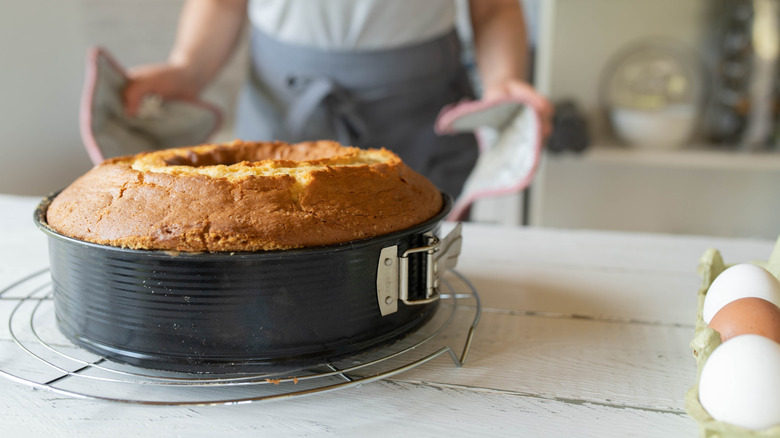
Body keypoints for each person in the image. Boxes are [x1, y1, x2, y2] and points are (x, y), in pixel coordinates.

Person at [123, 0, 552, 198]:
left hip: (420, 108)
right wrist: (188, 68)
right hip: (284, 109)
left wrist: (505, 80)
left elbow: (494, 7)